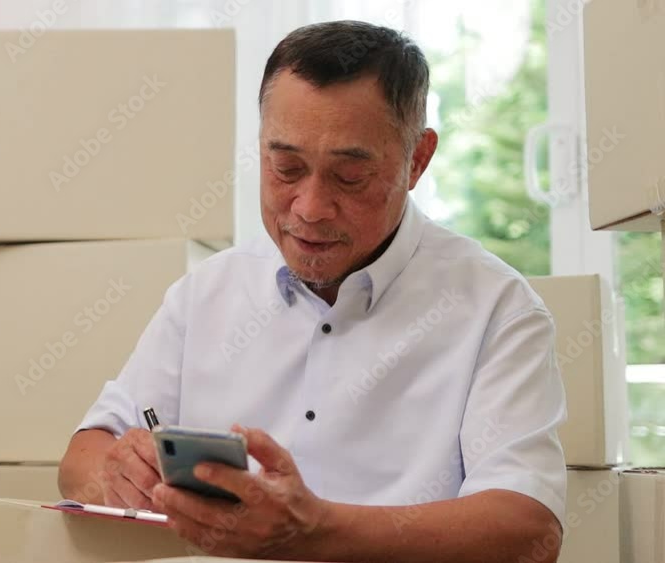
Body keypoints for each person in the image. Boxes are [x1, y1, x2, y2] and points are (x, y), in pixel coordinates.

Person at [59, 20, 566, 562]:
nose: (310, 208)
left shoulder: (496, 309)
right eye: (286, 168)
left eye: (349, 177)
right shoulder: (206, 294)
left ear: (417, 160)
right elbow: (81, 459)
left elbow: (527, 530)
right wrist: (120, 472)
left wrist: (315, 531)